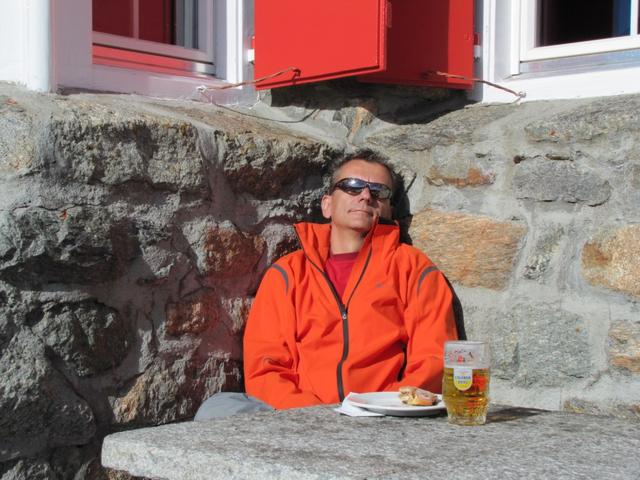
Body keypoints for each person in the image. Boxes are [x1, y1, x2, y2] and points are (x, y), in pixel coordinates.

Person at [241, 151, 460, 410]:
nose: (366, 196)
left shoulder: (413, 269)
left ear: (389, 209)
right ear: (327, 204)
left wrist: (382, 408)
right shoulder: (288, 274)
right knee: (216, 408)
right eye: (352, 186)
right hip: (302, 418)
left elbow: (433, 359)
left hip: (382, 418)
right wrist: (314, 416)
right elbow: (265, 368)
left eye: (379, 191)